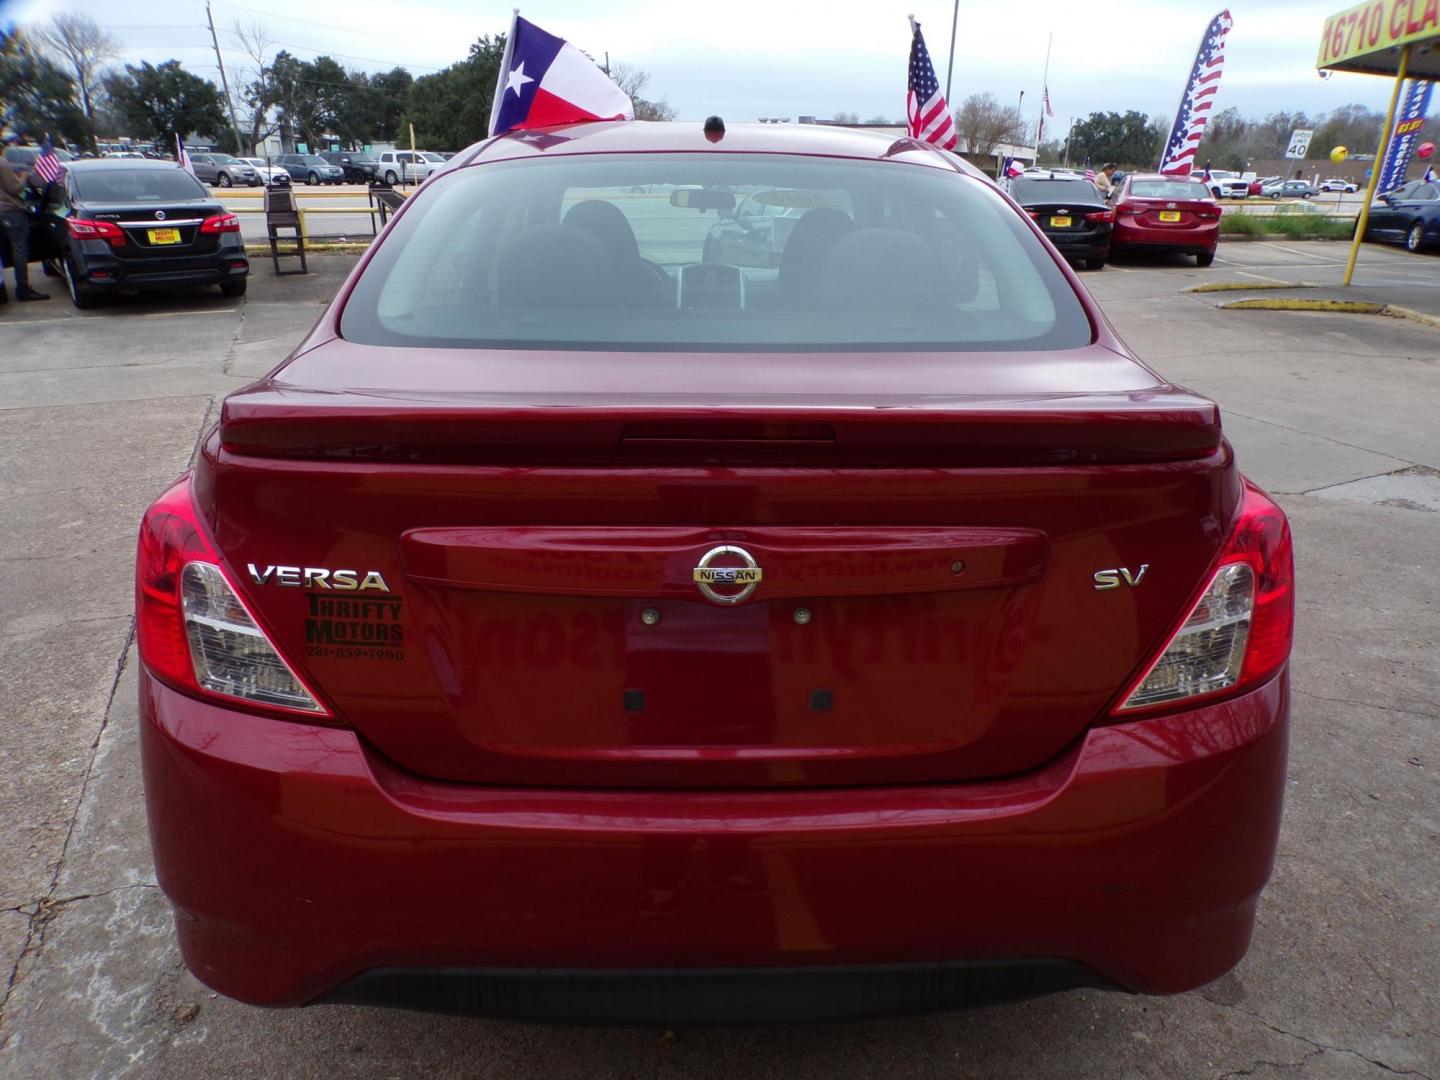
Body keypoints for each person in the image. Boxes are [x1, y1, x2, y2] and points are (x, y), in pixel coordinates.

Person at [0, 142, 50, 302]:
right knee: (19, 249)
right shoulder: (2, 163)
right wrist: (24, 177)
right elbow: (15, 189)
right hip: (10, 211)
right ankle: (23, 288)